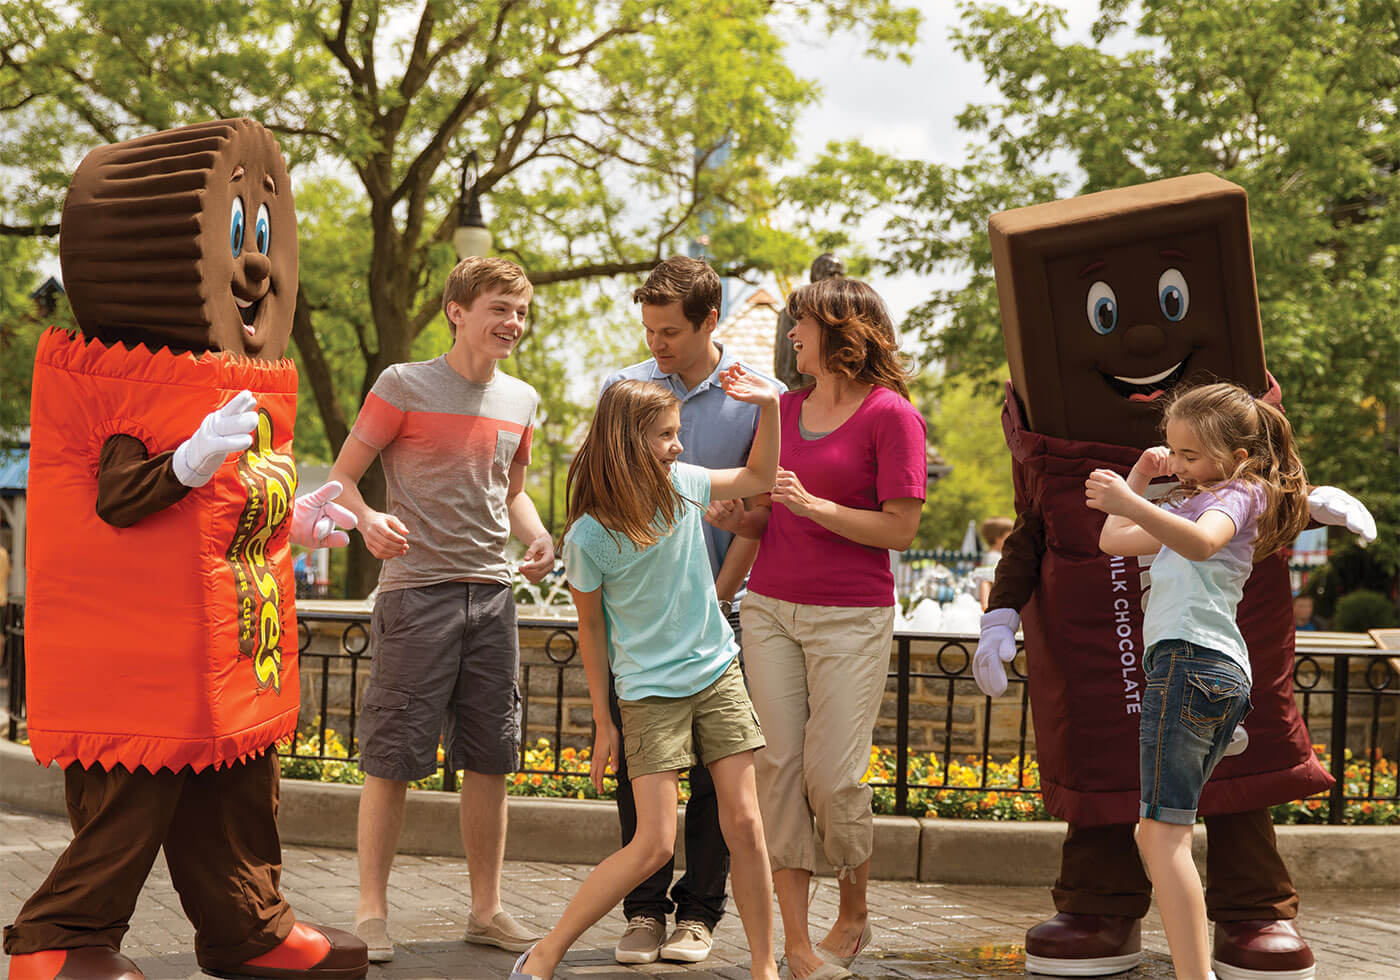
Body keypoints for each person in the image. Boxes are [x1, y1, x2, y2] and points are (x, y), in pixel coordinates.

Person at [512, 373, 780, 980]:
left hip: (716, 673)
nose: (679, 447)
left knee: (746, 823)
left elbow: (760, 480)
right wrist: (604, 721)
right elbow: (593, 630)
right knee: (653, 844)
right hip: (648, 694)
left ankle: (765, 969)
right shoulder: (589, 536)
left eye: (677, 433)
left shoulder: (684, 485)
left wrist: (769, 406)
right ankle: (545, 953)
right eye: (666, 436)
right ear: (628, 442)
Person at [326, 256, 555, 962]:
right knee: (393, 759)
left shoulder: (522, 400)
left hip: (493, 598)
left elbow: (509, 490)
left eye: (520, 313)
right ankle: (371, 913)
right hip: (415, 595)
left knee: (491, 758)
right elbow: (338, 482)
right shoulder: (402, 384)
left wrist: (540, 532)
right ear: (458, 311)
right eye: (499, 309)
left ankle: (485, 911)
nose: (513, 323)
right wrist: (365, 522)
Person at [1085, 381, 1312, 980]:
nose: (1178, 465)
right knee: (1157, 833)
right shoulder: (1189, 502)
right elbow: (1112, 541)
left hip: (1192, 663)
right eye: (1172, 451)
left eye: (1190, 456)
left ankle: (1196, 977)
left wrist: (1136, 503)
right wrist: (1137, 477)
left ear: (1237, 456)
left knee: (1161, 837)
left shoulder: (1238, 494)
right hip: (1196, 668)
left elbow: (1202, 542)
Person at [599, 256, 784, 964]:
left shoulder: (754, 395)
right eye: (648, 328)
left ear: (710, 320)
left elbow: (760, 509)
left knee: (717, 775)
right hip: (643, 619)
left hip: (719, 606)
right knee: (641, 769)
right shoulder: (625, 390)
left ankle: (699, 913)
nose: (656, 344)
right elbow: (604, 497)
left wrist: (719, 596)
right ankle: (643, 912)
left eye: (670, 330)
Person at [741, 277, 927, 980]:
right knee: (777, 771)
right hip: (769, 608)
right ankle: (796, 946)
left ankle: (853, 912)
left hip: (852, 615)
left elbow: (901, 529)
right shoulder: (783, 410)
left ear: (841, 331)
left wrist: (814, 508)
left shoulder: (892, 416)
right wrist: (742, 517)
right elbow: (767, 509)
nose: (791, 337)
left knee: (832, 776)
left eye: (802, 326)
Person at [973, 516, 1013, 611]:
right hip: (994, 606)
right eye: (1010, 535)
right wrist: (986, 606)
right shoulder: (995, 558)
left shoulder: (990, 556)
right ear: (998, 538)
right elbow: (986, 581)